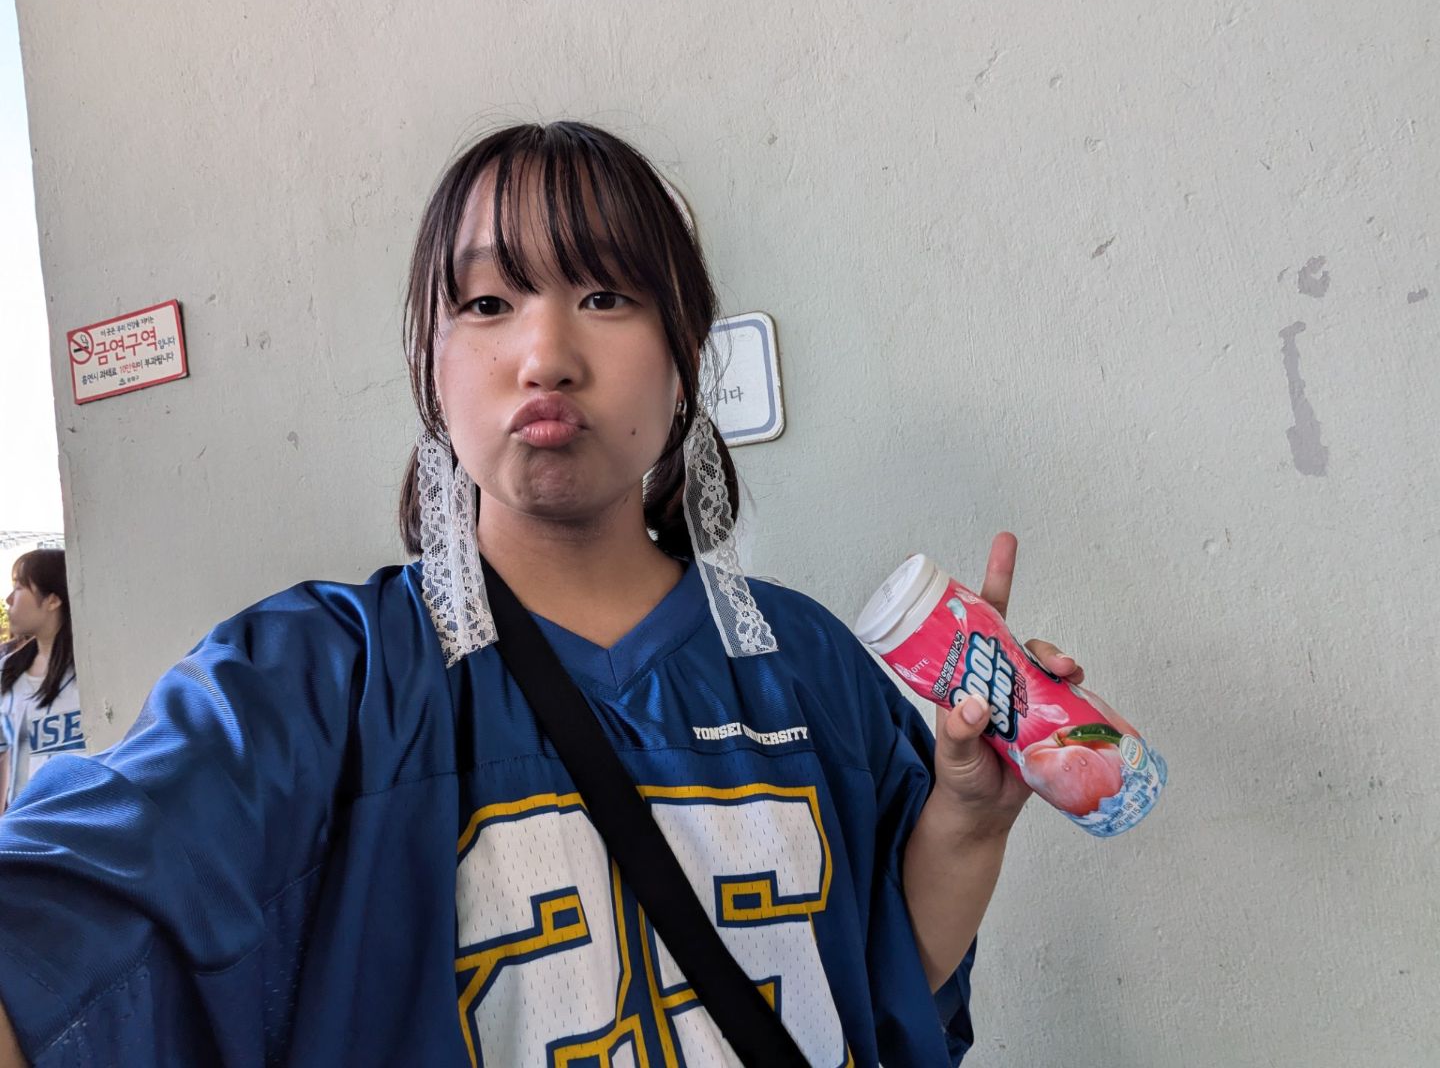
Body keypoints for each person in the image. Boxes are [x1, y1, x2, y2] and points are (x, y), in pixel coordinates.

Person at [0, 122, 1091, 1067]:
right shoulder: (315, 681)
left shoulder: (805, 662)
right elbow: (65, 920)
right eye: (486, 301)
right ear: (433, 364)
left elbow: (882, 984)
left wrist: (968, 825)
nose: (545, 353)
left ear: (684, 358)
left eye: (607, 295)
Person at [0, 551, 82, 813]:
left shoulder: (93, 670)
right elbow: (4, 756)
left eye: (20, 587)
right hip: (24, 833)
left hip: (86, 829)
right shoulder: (7, 671)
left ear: (53, 600)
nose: (9, 599)